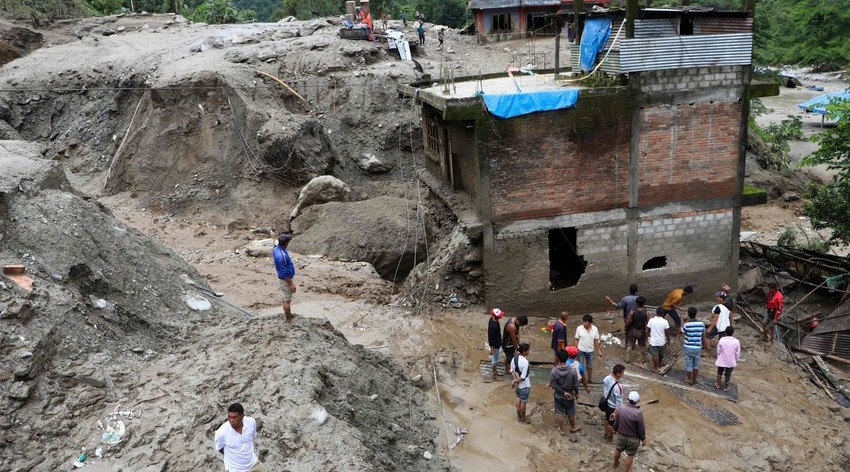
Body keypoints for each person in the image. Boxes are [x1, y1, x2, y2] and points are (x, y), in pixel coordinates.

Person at [214, 403, 267, 472]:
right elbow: (220, 448)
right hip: (236, 469)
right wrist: (235, 454)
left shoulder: (251, 422)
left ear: (242, 416)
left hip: (253, 464)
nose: (231, 420)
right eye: (229, 417)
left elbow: (252, 436)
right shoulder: (221, 433)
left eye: (234, 417)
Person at [612, 391, 647, 472]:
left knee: (618, 450)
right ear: (637, 401)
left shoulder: (621, 408)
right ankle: (627, 471)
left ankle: (615, 463)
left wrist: (615, 429)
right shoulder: (638, 413)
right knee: (630, 455)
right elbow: (641, 429)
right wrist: (643, 439)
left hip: (621, 436)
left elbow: (616, 421)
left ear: (628, 399)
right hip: (633, 440)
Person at [550, 349, 581, 438]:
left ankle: (562, 430)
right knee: (570, 412)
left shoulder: (554, 371)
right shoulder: (573, 371)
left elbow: (554, 384)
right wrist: (577, 392)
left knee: (560, 413)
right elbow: (575, 385)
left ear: (557, 358)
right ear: (567, 358)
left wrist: (563, 392)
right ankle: (573, 427)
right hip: (570, 394)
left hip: (558, 395)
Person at [681, 307, 708, 385]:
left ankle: (689, 379)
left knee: (688, 364)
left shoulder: (687, 325)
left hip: (688, 347)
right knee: (696, 364)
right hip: (697, 347)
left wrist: (683, 321)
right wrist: (704, 346)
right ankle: (694, 379)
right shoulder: (701, 324)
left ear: (688, 315)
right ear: (696, 314)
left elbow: (682, 331)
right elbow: (703, 336)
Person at [273, 232, 296, 322]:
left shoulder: (276, 249)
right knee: (287, 300)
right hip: (285, 279)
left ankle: (288, 314)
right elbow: (284, 273)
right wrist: (291, 284)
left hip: (282, 278)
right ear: (286, 244)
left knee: (285, 298)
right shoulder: (281, 256)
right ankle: (288, 318)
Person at [574, 314, 603, 383]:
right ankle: (580, 379)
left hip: (590, 351)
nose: (584, 323)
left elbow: (596, 341)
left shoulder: (595, 329)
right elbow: (576, 339)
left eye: (585, 322)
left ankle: (590, 379)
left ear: (590, 323)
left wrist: (599, 351)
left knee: (590, 366)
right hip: (580, 350)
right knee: (580, 365)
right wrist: (575, 349)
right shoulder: (579, 328)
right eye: (583, 322)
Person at [602, 364, 626, 441]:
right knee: (611, 424)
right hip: (613, 407)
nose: (623, 374)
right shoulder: (618, 387)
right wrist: (616, 413)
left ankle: (605, 434)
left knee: (606, 418)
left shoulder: (607, 378)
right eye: (623, 372)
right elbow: (619, 402)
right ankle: (610, 438)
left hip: (606, 403)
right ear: (618, 374)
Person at [510, 343, 532, 424]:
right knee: (523, 401)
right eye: (528, 350)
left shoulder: (514, 358)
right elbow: (523, 377)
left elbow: (511, 371)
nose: (529, 351)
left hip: (518, 385)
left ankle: (518, 415)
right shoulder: (525, 362)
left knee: (518, 397)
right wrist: (516, 381)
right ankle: (523, 418)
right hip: (525, 385)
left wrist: (515, 380)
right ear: (524, 352)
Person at [624, 296, 648, 364]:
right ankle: (643, 358)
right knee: (642, 346)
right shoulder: (646, 312)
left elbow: (628, 321)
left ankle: (627, 359)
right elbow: (648, 323)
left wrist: (626, 327)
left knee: (630, 345)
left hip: (632, 330)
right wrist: (647, 332)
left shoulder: (632, 311)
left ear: (636, 303)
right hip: (642, 331)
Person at [715, 326, 741, 391]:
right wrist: (736, 359)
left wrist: (718, 357)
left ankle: (718, 384)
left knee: (719, 372)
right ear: (733, 332)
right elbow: (737, 352)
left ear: (726, 332)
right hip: (731, 360)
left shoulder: (722, 340)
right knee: (728, 374)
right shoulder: (736, 341)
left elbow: (718, 350)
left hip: (722, 359)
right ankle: (726, 387)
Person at [646, 308, 669, 373]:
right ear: (663, 314)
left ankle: (655, 368)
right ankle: (659, 364)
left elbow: (648, 329)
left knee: (654, 355)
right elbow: (667, 332)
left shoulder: (651, 320)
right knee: (661, 354)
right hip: (662, 341)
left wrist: (647, 337)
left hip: (653, 341)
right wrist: (668, 340)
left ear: (656, 312)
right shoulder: (665, 321)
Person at [487, 308, 504, 381]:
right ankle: (494, 374)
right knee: (495, 360)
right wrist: (492, 348)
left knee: (496, 358)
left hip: (497, 342)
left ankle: (495, 371)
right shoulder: (493, 326)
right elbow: (491, 337)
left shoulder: (492, 319)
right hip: (496, 345)